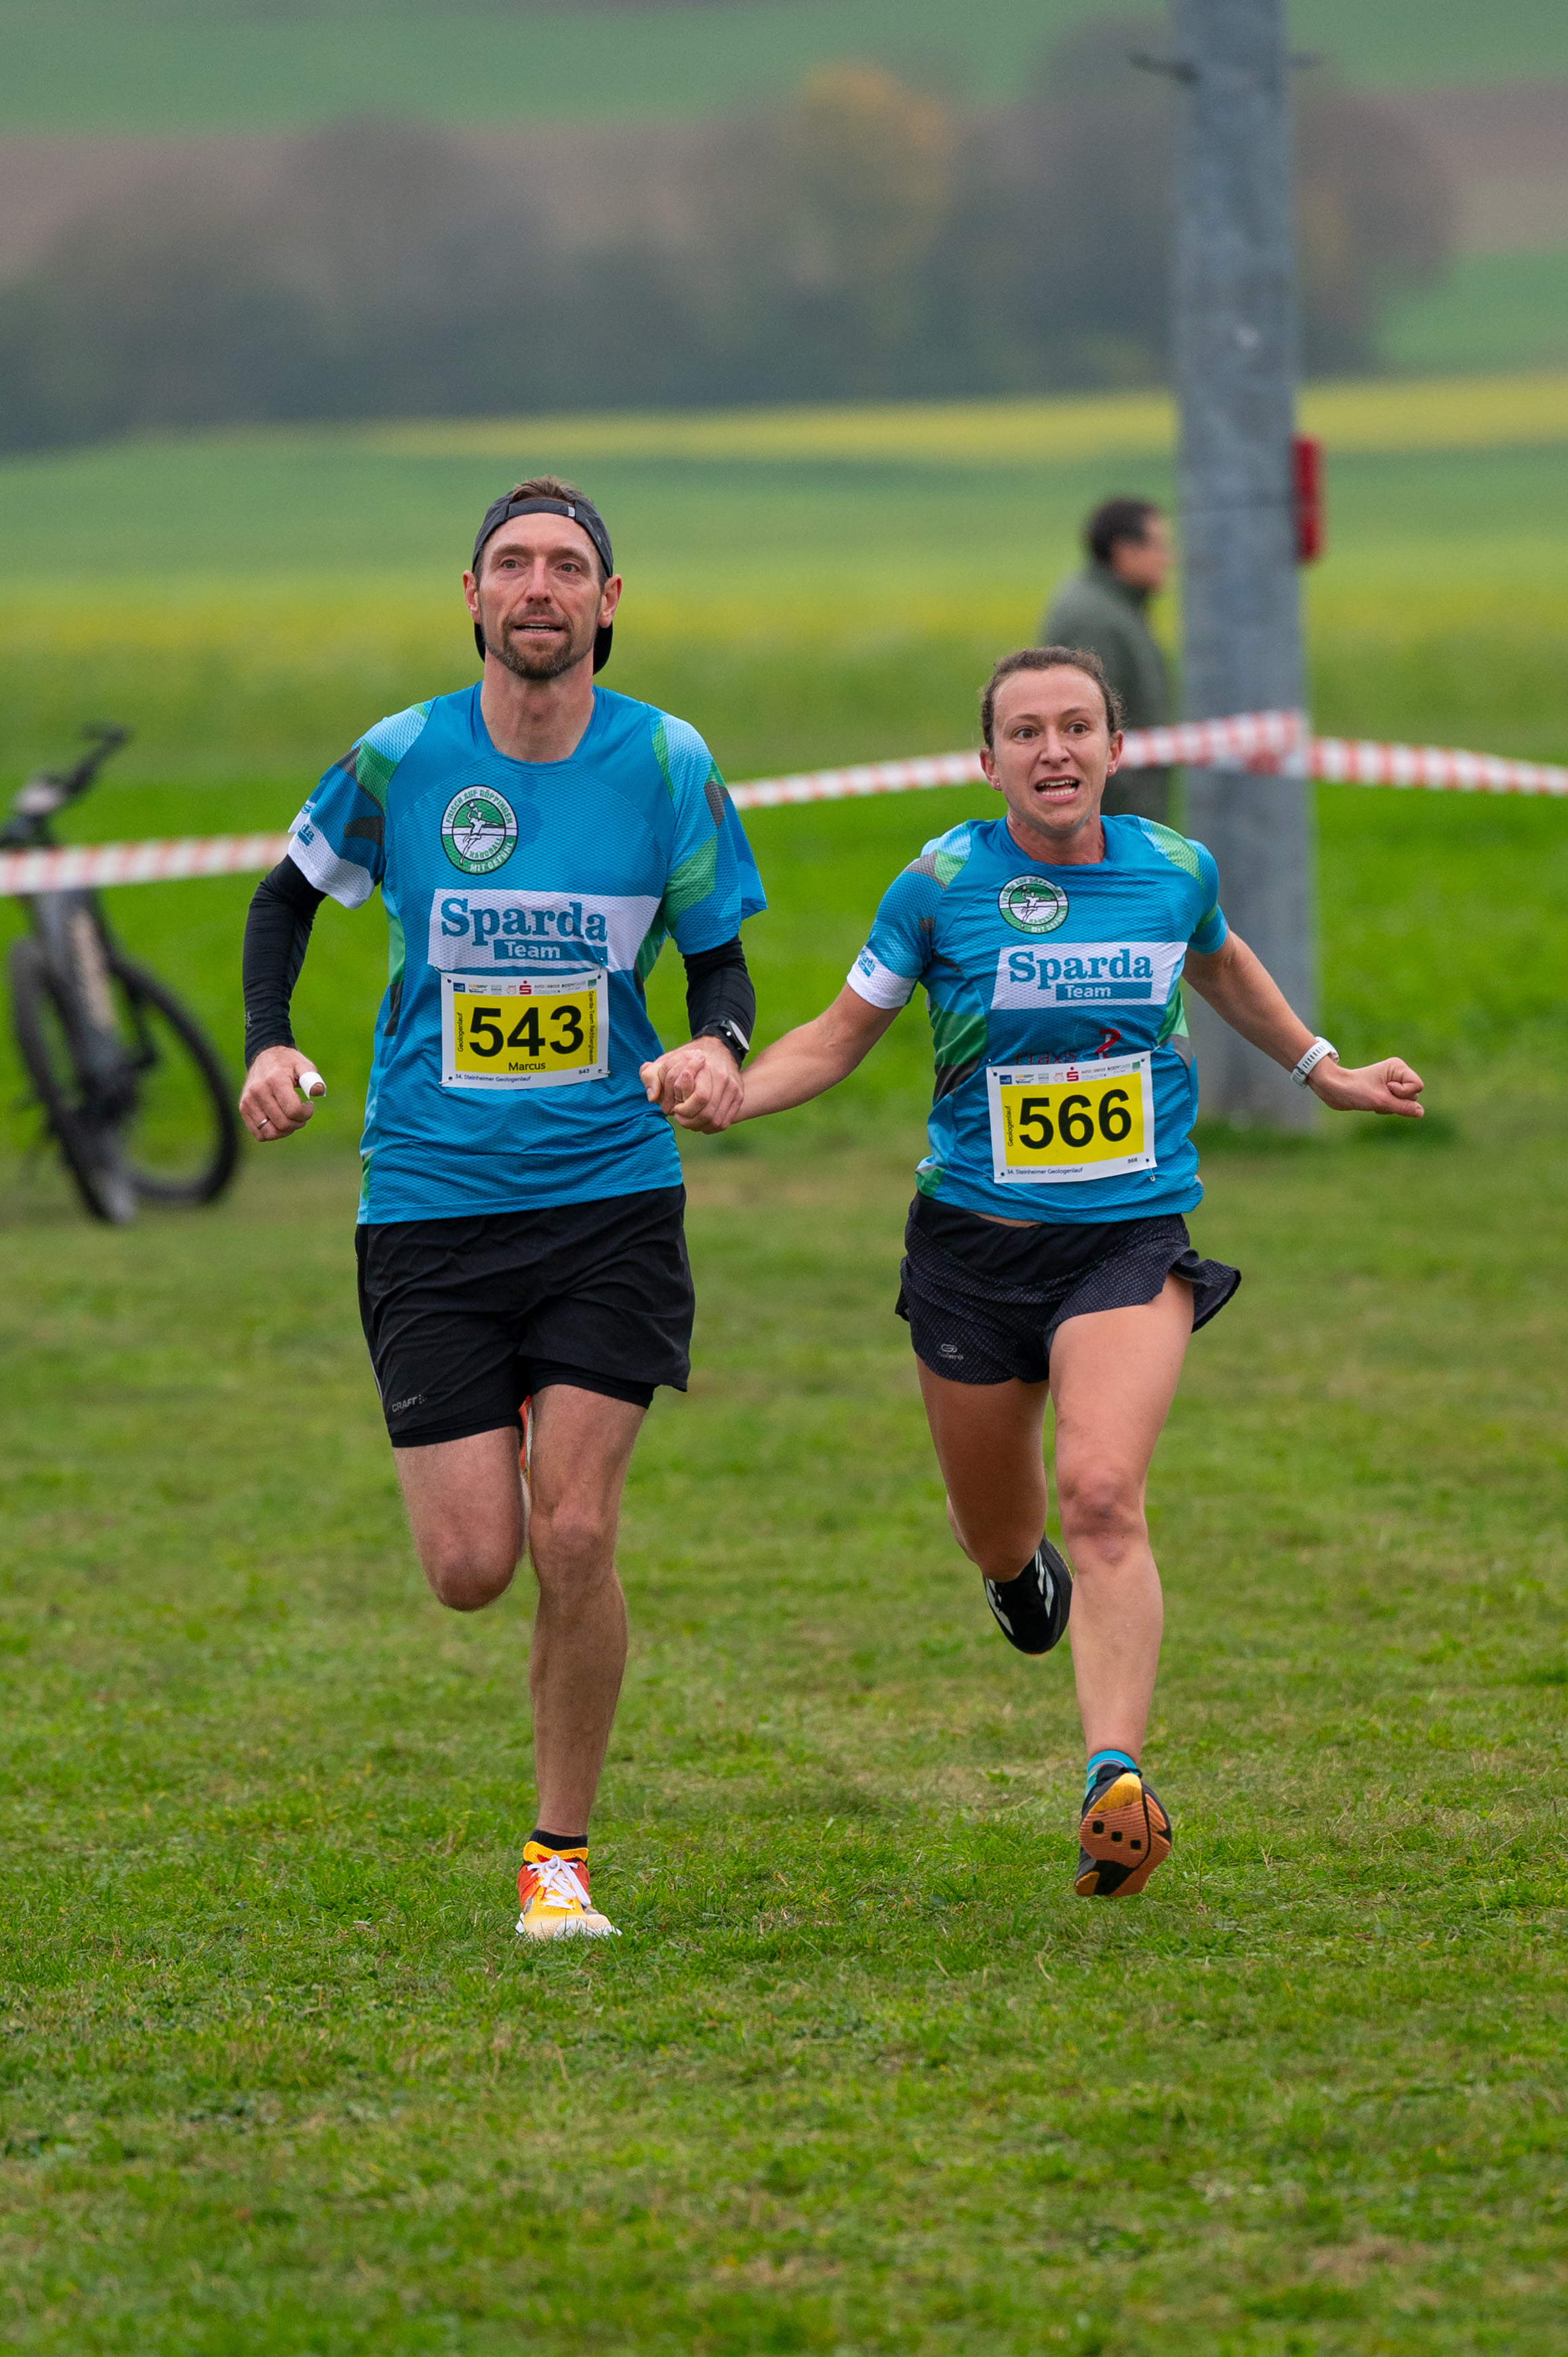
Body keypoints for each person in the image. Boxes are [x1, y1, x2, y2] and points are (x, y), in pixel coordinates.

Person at [699, 645, 1422, 1900]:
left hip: (1126, 1239)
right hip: (971, 1252)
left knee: (1100, 1493)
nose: (1054, 750)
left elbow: (1218, 960)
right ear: (988, 763)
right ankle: (1010, 1576)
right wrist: (726, 1093)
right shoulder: (938, 886)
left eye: (1076, 727)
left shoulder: (1172, 870)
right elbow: (838, 1036)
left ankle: (1112, 1780)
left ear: (1114, 749)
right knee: (1000, 1529)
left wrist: (1324, 1070)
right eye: (1026, 732)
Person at [239, 475, 765, 1941]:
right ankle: (503, 1426)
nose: (540, 586)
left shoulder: (666, 761)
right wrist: (268, 1043)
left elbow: (719, 956)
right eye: (513, 564)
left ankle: (558, 1856)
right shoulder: (401, 757)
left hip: (609, 1195)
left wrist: (717, 1045)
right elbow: (282, 900)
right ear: (471, 597)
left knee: (575, 1534)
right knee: (474, 1567)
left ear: (608, 602)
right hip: (429, 1199)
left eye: (567, 566)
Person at [1042, 498, 1174, 824]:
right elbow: (1089, 721)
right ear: (1125, 551)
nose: (1169, 559)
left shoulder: (1116, 607)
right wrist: (1119, 827)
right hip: (1112, 823)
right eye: (1159, 546)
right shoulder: (1094, 621)